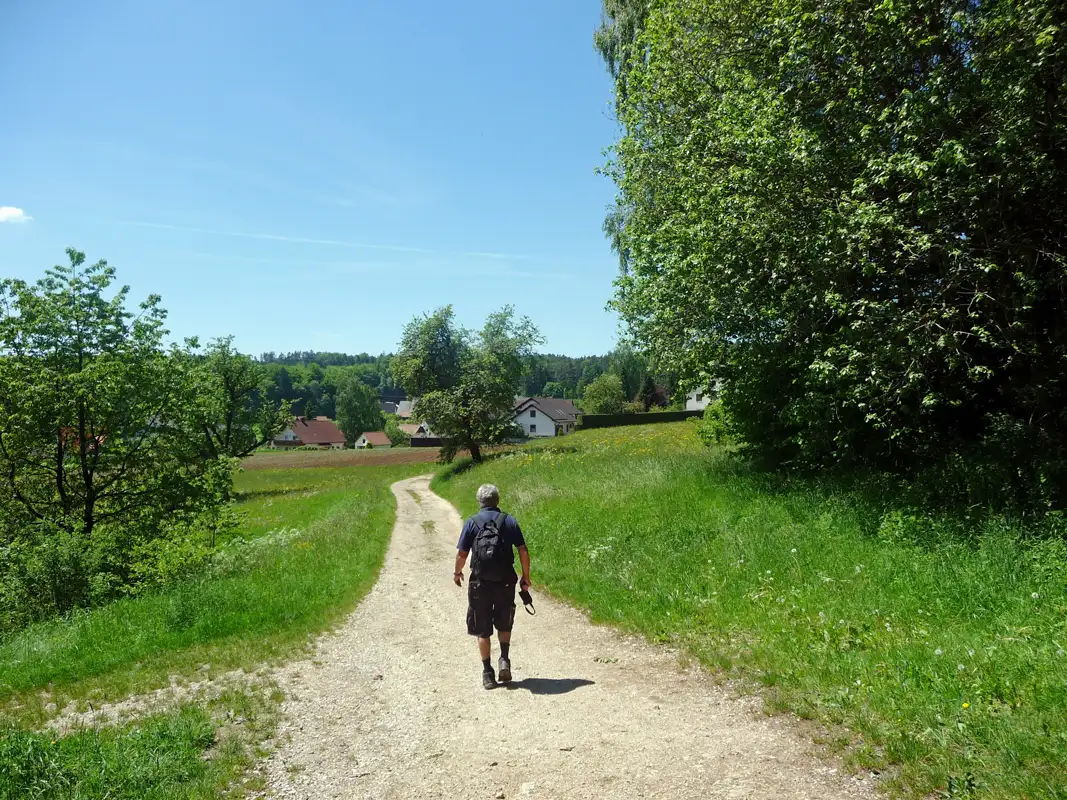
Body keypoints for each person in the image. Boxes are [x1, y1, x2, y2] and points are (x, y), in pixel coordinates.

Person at [454, 483, 531, 689]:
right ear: (498, 500)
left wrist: (457, 572)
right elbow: (523, 550)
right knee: (505, 621)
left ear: (479, 502)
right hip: (506, 580)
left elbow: (462, 554)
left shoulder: (471, 523)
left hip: (480, 582)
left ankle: (487, 673)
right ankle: (504, 658)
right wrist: (525, 577)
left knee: (482, 628)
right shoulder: (509, 521)